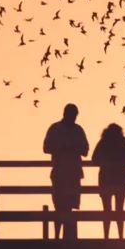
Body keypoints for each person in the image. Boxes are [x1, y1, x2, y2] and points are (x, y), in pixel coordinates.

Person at [43, 103, 89, 240]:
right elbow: (46, 148)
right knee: (59, 206)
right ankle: (58, 237)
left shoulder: (77, 130)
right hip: (60, 172)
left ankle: (65, 237)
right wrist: (64, 147)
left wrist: (72, 148)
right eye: (72, 115)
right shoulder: (56, 129)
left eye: (75, 116)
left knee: (68, 207)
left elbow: (85, 150)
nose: (74, 118)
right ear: (65, 114)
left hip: (72, 173)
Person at [92, 123, 125, 239]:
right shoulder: (122, 141)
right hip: (120, 177)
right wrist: (120, 162)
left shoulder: (104, 142)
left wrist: (106, 163)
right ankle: (120, 236)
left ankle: (106, 236)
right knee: (119, 208)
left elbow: (94, 159)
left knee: (107, 209)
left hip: (106, 177)